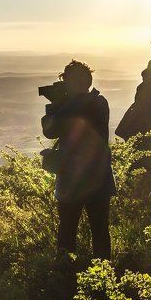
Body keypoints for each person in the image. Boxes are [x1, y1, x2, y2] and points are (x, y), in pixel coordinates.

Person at [41, 60, 116, 259]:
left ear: (75, 82)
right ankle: (103, 273)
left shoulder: (81, 105)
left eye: (66, 81)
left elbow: (50, 130)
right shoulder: (99, 102)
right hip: (99, 179)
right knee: (99, 231)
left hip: (73, 179)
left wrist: (55, 105)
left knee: (67, 232)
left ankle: (66, 271)